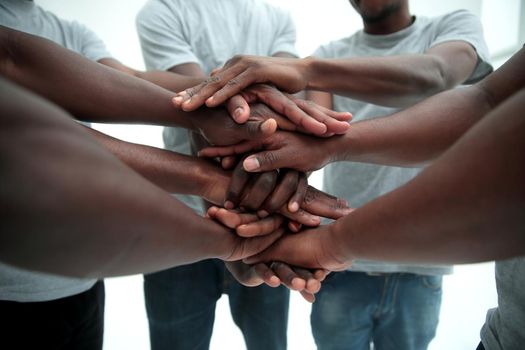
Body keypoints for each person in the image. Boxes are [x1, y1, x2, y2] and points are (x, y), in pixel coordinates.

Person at [0, 11, 347, 350]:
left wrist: (214, 105)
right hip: (24, 280)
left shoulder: (68, 30)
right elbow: (26, 141)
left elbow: (29, 63)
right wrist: (211, 160)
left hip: (83, 281)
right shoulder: (163, 12)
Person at [179, 1, 492, 348]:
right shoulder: (331, 53)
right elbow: (307, 138)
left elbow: (436, 73)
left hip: (416, 260)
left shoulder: (450, 26)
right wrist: (263, 168)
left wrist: (307, 71)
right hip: (335, 261)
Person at [136, 1, 322, 349]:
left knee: (268, 343)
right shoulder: (163, 11)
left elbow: (280, 90)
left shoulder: (277, 17)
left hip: (264, 214)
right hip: (180, 220)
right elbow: (202, 101)